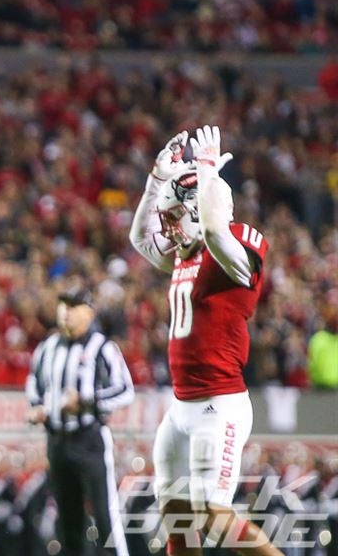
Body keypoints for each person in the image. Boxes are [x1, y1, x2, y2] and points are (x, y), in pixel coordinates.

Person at [129, 126, 283, 556]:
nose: (170, 228)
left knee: (214, 516)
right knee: (178, 518)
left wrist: (208, 171)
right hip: (181, 408)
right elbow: (140, 238)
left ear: (199, 210)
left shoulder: (231, 250)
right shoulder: (187, 253)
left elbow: (216, 231)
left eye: (176, 216)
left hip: (220, 405)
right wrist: (156, 182)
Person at [25, 287, 135, 554]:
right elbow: (34, 383)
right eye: (63, 306)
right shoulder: (47, 347)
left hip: (90, 439)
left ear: (88, 312)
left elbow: (125, 390)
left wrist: (88, 400)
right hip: (57, 441)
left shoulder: (103, 347)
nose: (66, 313)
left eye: (73, 307)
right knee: (68, 518)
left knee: (105, 513)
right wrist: (37, 408)